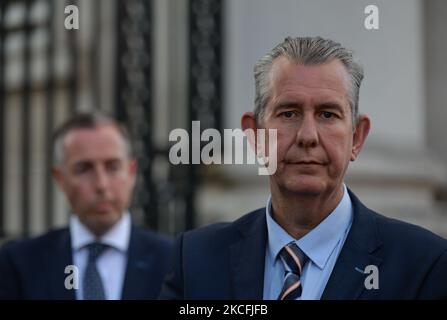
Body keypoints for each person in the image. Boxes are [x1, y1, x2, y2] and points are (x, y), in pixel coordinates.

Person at [159, 36, 447, 300]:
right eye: (289, 113)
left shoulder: (423, 264)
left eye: (327, 114)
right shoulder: (196, 260)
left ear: (356, 137)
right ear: (255, 135)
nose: (307, 135)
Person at [0, 112, 172, 299]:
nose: (101, 185)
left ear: (131, 172)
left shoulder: (173, 263)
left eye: (112, 167)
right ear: (60, 178)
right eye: (84, 169)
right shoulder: (20, 263)